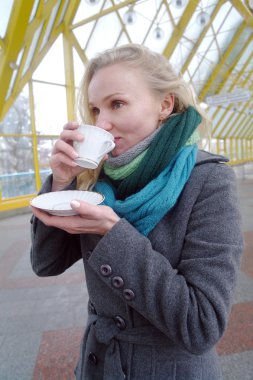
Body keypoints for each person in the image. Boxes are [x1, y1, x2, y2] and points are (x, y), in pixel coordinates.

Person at [30, 44, 243, 380]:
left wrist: (112, 233)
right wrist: (60, 184)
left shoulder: (208, 180)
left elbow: (202, 325)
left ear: (164, 104)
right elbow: (46, 264)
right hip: (100, 366)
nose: (102, 123)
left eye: (117, 104)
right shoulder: (96, 180)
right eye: (95, 109)